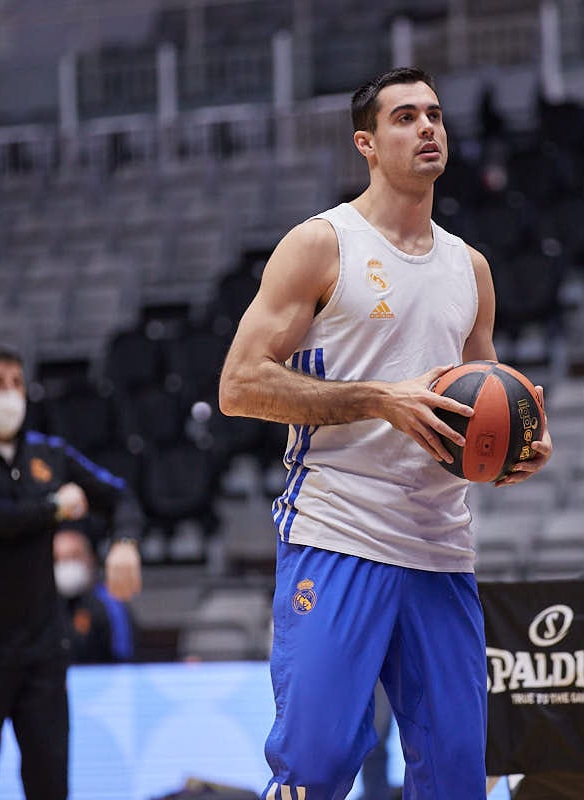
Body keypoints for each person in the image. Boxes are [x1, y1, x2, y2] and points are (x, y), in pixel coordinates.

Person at [218, 66, 552, 799]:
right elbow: (239, 386)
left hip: (441, 546)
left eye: (434, 114)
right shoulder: (321, 244)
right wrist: (377, 400)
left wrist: (519, 443)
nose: (428, 127)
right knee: (316, 766)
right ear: (366, 143)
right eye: (405, 117)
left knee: (458, 777)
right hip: (339, 534)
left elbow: (486, 397)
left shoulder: (472, 268)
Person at [0, 346, 143, 800]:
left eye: (16, 382)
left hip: (43, 649)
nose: (9, 393)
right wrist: (53, 508)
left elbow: (120, 496)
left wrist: (123, 543)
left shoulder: (50, 452)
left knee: (49, 784)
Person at [54, 524, 136, 665]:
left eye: (74, 556)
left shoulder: (111, 603)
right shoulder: (42, 607)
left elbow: (124, 656)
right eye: (58, 559)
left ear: (90, 559)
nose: (66, 565)